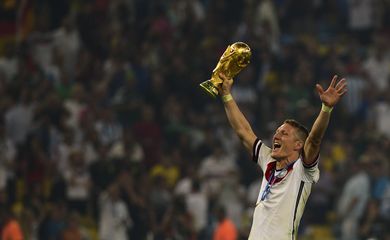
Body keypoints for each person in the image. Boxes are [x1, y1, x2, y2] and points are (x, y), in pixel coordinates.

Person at [218, 73, 347, 239]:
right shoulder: (269, 161)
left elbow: (314, 140)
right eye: (277, 132)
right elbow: (243, 131)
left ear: (298, 145)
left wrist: (326, 109)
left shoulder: (302, 171)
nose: (276, 136)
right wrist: (226, 95)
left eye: (284, 133)